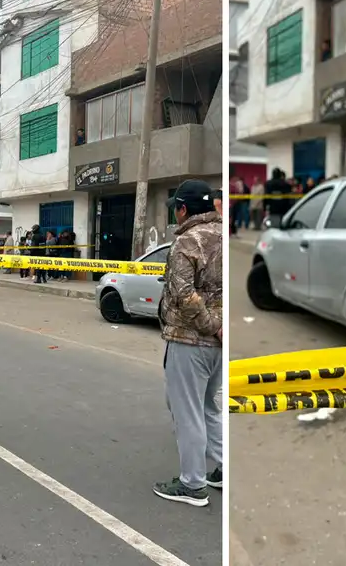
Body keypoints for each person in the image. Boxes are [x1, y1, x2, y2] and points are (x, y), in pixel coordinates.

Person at [152, 179, 223, 507]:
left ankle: (193, 484)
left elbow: (183, 295)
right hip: (217, 345)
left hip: (190, 340)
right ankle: (224, 468)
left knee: (187, 413)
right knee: (207, 407)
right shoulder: (224, 235)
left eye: (176, 209)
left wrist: (211, 326)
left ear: (182, 209)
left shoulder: (187, 241)